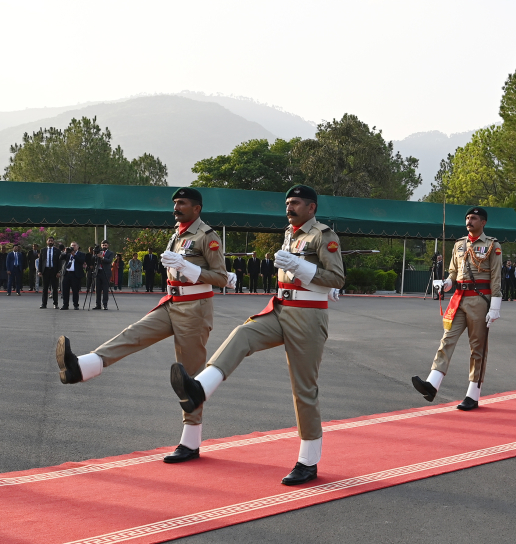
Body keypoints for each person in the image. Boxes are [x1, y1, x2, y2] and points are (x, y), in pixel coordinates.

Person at [170, 185, 344, 485]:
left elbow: (337, 278)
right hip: (281, 309)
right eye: (287, 203)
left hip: (308, 316)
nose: (289, 208)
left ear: (312, 208)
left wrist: (301, 267)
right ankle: (200, 388)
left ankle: (308, 461)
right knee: (242, 334)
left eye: (296, 203)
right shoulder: (291, 233)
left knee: (304, 389)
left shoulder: (323, 235)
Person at [55, 188, 232, 465]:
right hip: (172, 302)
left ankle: (190, 442)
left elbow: (221, 278)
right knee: (133, 334)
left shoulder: (207, 236)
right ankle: (82, 367)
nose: (176, 207)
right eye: (175, 202)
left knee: (189, 375)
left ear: (196, 208)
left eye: (182, 203)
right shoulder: (178, 233)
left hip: (195, 309)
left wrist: (188, 268)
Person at [412, 206, 502, 411]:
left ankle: (473, 394)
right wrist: (446, 283)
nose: (469, 221)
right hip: (459, 298)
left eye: (474, 218)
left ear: (483, 222)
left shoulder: (492, 245)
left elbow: (496, 276)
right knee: (447, 339)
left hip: (480, 300)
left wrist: (495, 307)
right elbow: (453, 272)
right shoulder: (459, 244)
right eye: (468, 218)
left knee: (477, 348)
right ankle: (432, 384)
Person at [59, 243, 86, 309]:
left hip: (75, 274)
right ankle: (65, 304)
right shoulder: (67, 254)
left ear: (78, 247)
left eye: (74, 245)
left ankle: (76, 304)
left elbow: (81, 261)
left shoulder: (81, 254)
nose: (73, 247)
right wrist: (65, 252)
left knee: (75, 290)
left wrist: (74, 255)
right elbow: (60, 258)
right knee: (65, 290)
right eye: (72, 246)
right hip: (67, 273)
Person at [39, 237, 62, 309]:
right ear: (47, 242)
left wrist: (59, 271)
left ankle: (55, 304)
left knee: (55, 288)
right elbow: (40, 261)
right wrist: (40, 271)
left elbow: (59, 262)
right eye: (49, 241)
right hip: (45, 271)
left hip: (54, 271)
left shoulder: (57, 251)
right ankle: (44, 304)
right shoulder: (43, 250)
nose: (50, 242)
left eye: (52, 241)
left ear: (53, 242)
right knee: (45, 288)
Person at [93, 240, 115, 310]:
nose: (104, 246)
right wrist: (96, 255)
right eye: (103, 245)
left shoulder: (110, 253)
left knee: (105, 289)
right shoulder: (99, 252)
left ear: (108, 245)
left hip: (106, 272)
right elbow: (94, 260)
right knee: (98, 289)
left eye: (105, 245)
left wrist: (102, 257)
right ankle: (98, 304)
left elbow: (109, 261)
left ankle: (105, 304)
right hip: (98, 272)